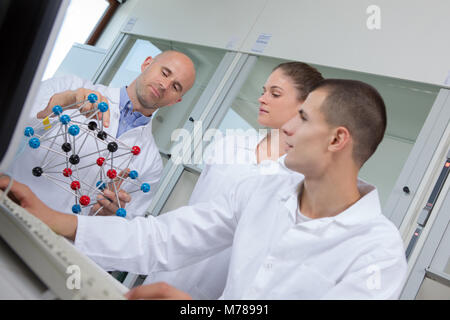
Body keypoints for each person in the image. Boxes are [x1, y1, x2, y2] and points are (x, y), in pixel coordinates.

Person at [0, 79, 408, 299]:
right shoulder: (263, 192)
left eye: (302, 117)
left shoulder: (377, 251)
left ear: (337, 140)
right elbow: (164, 236)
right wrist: (54, 219)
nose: (286, 127)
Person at [143, 62, 323, 299]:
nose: (262, 99)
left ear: (305, 106)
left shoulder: (299, 182)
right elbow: (194, 211)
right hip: (165, 273)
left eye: (275, 93)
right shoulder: (229, 145)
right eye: (263, 91)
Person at [7, 50, 196, 218]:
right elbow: (14, 122)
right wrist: (59, 105)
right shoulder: (70, 87)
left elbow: (124, 224)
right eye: (165, 72)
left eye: (175, 87)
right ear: (147, 63)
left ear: (175, 101)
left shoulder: (151, 163)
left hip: (54, 240)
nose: (165, 85)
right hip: (9, 202)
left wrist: (108, 214)